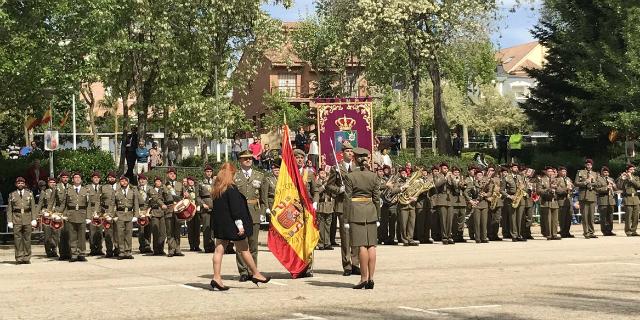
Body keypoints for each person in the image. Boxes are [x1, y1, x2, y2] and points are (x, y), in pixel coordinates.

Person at [210, 162, 271, 291]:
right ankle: (256, 273)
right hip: (233, 225)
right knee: (244, 249)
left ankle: (216, 277)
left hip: (220, 224)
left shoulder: (217, 190)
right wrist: (240, 225)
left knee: (218, 251)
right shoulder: (231, 189)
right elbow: (236, 210)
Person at [344, 147, 380, 290]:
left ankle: (363, 278)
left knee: (361, 246)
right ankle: (371, 278)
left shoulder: (351, 176)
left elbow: (347, 199)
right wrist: (378, 216)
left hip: (356, 211)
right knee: (371, 245)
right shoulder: (373, 176)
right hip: (371, 211)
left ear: (354, 159)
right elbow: (376, 198)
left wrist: (346, 218)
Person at [326, 141, 360, 276]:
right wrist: (338, 189)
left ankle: (355, 263)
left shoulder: (357, 167)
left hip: (356, 205)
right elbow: (329, 186)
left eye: (351, 151)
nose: (350, 153)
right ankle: (347, 265)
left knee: (356, 236)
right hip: (342, 205)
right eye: (347, 151)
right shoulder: (337, 168)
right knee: (345, 237)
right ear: (342, 153)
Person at [234, 150, 266, 281]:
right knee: (241, 244)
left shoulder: (259, 176)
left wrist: (263, 213)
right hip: (240, 212)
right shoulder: (235, 176)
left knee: (253, 244)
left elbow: (263, 197)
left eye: (250, 158)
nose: (248, 160)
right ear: (240, 161)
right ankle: (243, 272)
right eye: (245, 158)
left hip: (254, 212)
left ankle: (253, 271)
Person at [57, 172, 91, 262]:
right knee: (72, 236)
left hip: (82, 214)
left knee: (81, 236)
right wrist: (58, 214)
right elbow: (63, 204)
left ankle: (81, 253)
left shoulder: (85, 190)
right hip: (71, 215)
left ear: (81, 179)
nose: (77, 179)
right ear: (72, 180)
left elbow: (88, 205)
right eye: (75, 177)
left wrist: (88, 216)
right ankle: (74, 254)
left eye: (79, 177)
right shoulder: (68, 190)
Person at [7, 177, 37, 264]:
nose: (20, 184)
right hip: (16, 218)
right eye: (18, 183)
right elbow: (9, 209)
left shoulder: (29, 194)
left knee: (27, 239)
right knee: (17, 239)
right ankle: (19, 257)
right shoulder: (12, 195)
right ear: (16, 184)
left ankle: (27, 257)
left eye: (22, 183)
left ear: (24, 184)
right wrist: (9, 221)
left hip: (27, 218)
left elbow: (33, 208)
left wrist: (34, 219)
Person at [111, 175, 139, 259]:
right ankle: (121, 252)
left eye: (125, 181)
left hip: (129, 214)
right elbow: (112, 204)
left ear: (128, 182)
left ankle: (128, 252)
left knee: (128, 234)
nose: (124, 182)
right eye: (122, 181)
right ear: (120, 182)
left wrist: (136, 215)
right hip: (120, 214)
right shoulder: (116, 192)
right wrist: (113, 215)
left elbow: (136, 204)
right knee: (120, 234)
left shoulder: (132, 191)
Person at [501, 163, 527, 242]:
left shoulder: (520, 177)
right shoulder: (506, 177)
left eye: (517, 167)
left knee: (519, 218)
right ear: (511, 168)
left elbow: (524, 187)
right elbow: (501, 190)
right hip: (511, 198)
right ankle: (514, 235)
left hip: (520, 198)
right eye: (514, 167)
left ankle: (519, 235)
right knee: (513, 218)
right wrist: (509, 196)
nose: (516, 168)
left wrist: (523, 188)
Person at [164, 167, 185, 257]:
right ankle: (171, 250)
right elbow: (160, 198)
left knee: (177, 231)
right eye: (170, 173)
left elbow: (186, 197)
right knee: (170, 231)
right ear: (167, 175)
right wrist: (162, 205)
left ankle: (177, 249)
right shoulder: (164, 185)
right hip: (168, 210)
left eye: (174, 174)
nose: (172, 175)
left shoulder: (180, 185)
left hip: (178, 210)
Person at [575, 159, 598, 239]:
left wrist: (593, 182)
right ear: (585, 165)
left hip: (592, 196)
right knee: (585, 216)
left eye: (590, 165)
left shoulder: (595, 173)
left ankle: (591, 232)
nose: (589, 166)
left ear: (592, 165)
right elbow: (576, 183)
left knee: (591, 216)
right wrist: (585, 182)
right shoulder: (580, 172)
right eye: (587, 164)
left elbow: (597, 184)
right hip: (584, 196)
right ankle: (586, 232)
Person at [465, 170, 490, 243]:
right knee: (477, 222)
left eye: (481, 175)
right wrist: (471, 200)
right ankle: (478, 238)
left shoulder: (485, 183)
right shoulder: (472, 183)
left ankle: (484, 237)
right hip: (476, 204)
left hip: (484, 204)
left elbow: (490, 191)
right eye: (478, 175)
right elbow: (465, 192)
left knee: (484, 222)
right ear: (475, 176)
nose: (480, 177)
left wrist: (486, 195)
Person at [538, 166, 561, 240]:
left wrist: (556, 188)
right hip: (546, 201)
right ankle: (548, 234)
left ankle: (554, 234)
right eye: (549, 171)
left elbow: (561, 190)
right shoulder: (541, 180)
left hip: (555, 201)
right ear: (546, 172)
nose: (550, 173)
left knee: (555, 220)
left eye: (552, 171)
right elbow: (539, 191)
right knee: (548, 219)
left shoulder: (556, 180)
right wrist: (549, 189)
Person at [617, 164, 640, 237]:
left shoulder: (635, 178)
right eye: (630, 169)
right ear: (627, 170)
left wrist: (631, 178)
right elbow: (619, 187)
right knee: (628, 217)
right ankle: (628, 231)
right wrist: (622, 178)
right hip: (627, 199)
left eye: (633, 169)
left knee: (636, 217)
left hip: (635, 199)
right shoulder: (623, 178)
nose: (632, 170)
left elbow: (638, 185)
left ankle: (634, 230)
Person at [39, 177, 60, 257]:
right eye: (51, 182)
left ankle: (54, 250)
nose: (53, 184)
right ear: (48, 184)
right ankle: (48, 251)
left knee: (55, 233)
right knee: (47, 234)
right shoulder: (44, 192)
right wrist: (38, 214)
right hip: (47, 215)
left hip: (56, 214)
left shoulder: (59, 192)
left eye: (54, 182)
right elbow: (40, 204)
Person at [100, 172, 119, 257]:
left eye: (113, 177)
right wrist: (102, 212)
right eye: (110, 177)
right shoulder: (103, 188)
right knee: (108, 232)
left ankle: (118, 249)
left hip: (118, 212)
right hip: (107, 212)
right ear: (107, 178)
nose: (111, 179)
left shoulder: (120, 186)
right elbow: (98, 200)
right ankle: (109, 250)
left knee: (118, 232)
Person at [433, 163, 453, 245]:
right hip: (441, 198)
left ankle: (449, 236)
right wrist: (445, 178)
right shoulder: (437, 175)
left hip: (450, 199)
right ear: (441, 169)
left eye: (447, 168)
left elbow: (455, 186)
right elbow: (437, 184)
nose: (446, 170)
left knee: (449, 220)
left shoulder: (450, 176)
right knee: (443, 220)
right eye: (444, 168)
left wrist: (452, 179)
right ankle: (444, 237)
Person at [198, 165, 216, 253]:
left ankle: (213, 245)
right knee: (206, 228)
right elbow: (197, 197)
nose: (209, 173)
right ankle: (207, 247)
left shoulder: (215, 182)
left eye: (210, 172)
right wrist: (202, 204)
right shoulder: (200, 183)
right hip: (205, 208)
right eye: (207, 172)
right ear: (204, 173)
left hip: (214, 207)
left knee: (213, 228)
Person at [315, 168, 334, 250]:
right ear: (319, 174)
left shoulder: (329, 182)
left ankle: (327, 243)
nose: (323, 175)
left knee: (328, 225)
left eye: (324, 173)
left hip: (329, 205)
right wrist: (324, 186)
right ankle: (321, 243)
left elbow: (333, 191)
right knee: (321, 226)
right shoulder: (316, 182)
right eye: (321, 173)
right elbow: (317, 191)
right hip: (321, 205)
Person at [149, 177, 169, 255]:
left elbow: (168, 196)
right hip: (155, 212)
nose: (158, 182)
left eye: (160, 181)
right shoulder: (151, 190)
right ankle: (156, 249)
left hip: (163, 212)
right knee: (156, 231)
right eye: (157, 181)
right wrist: (162, 204)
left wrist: (164, 188)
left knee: (163, 232)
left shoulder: (163, 190)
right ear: (154, 182)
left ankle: (161, 248)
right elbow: (156, 199)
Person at [595, 167, 617, 236]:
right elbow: (597, 189)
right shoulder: (598, 179)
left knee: (610, 217)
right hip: (603, 200)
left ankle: (610, 230)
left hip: (611, 200)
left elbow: (616, 189)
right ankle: (604, 231)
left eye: (607, 172)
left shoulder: (611, 179)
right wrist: (606, 188)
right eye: (604, 172)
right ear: (602, 173)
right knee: (603, 217)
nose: (606, 173)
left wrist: (614, 185)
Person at [88, 171, 105, 256]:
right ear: (92, 179)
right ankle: (93, 249)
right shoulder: (87, 188)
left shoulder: (102, 188)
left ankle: (99, 248)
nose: (96, 179)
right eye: (95, 177)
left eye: (98, 178)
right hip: (91, 211)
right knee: (92, 231)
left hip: (100, 212)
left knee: (100, 231)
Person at [450, 167, 467, 243]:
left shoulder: (461, 179)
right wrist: (455, 181)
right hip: (454, 201)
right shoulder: (450, 179)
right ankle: (454, 235)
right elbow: (453, 187)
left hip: (462, 202)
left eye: (458, 172)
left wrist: (463, 185)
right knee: (454, 220)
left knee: (461, 220)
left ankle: (460, 235)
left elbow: (464, 190)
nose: (457, 174)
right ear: (452, 173)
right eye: (455, 172)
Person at [486, 166, 503, 241]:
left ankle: (495, 234)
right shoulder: (485, 179)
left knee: (496, 219)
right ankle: (489, 234)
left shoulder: (498, 179)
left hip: (497, 200)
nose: (492, 172)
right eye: (490, 170)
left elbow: (501, 189)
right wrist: (487, 198)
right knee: (489, 219)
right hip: (488, 201)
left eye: (493, 171)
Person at [556, 167, 574, 238]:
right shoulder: (557, 180)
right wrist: (566, 189)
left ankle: (567, 232)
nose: (564, 173)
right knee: (562, 218)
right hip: (561, 201)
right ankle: (563, 232)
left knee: (569, 217)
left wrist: (572, 188)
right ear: (559, 172)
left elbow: (572, 187)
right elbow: (557, 190)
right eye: (562, 171)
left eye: (565, 171)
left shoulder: (568, 179)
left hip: (568, 201)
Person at [136, 174, 153, 254]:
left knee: (148, 229)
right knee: (141, 230)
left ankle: (147, 245)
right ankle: (142, 246)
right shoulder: (136, 189)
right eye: (140, 179)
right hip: (140, 210)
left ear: (146, 180)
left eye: (143, 179)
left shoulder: (150, 188)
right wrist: (138, 211)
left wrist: (148, 211)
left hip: (148, 211)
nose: (142, 181)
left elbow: (153, 200)